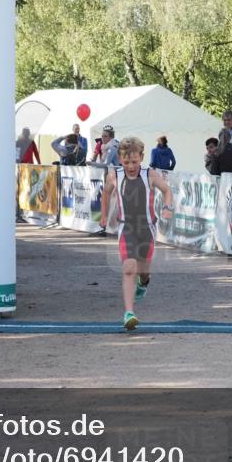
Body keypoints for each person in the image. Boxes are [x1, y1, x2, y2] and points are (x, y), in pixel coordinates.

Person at [99, 137, 175, 331]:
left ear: (141, 157)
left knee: (143, 271)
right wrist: (104, 214)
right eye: (126, 162)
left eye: (134, 162)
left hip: (147, 228)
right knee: (128, 267)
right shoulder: (114, 175)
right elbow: (106, 193)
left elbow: (167, 191)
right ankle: (129, 313)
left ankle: (144, 282)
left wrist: (167, 207)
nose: (131, 166)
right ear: (119, 159)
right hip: (126, 228)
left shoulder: (150, 174)